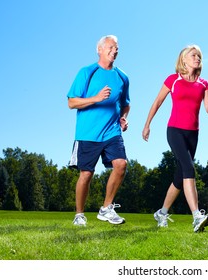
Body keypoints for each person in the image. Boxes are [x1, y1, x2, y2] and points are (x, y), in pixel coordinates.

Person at [142, 45, 208, 233]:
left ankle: (162, 213)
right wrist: (147, 124)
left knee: (180, 178)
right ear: (184, 59)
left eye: (199, 55)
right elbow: (158, 102)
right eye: (193, 55)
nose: (197, 58)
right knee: (188, 168)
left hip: (193, 134)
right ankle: (196, 216)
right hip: (175, 131)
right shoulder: (173, 80)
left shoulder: (204, 84)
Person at [67, 35, 130, 226]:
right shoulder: (87, 72)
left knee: (121, 165)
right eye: (111, 47)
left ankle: (106, 208)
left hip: (112, 132)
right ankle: (79, 215)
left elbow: (126, 104)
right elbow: (71, 102)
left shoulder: (122, 77)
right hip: (88, 133)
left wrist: (124, 118)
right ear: (100, 49)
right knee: (86, 174)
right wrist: (95, 98)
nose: (114, 50)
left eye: (117, 48)